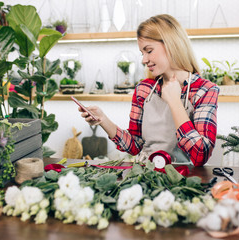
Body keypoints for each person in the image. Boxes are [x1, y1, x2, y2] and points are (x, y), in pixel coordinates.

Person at [78, 14, 219, 167]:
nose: (144, 60)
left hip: (184, 180)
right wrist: (103, 119)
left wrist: (174, 102)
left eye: (149, 51)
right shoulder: (144, 89)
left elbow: (200, 155)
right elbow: (134, 146)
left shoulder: (205, 90)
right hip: (145, 176)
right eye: (142, 53)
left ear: (171, 45)